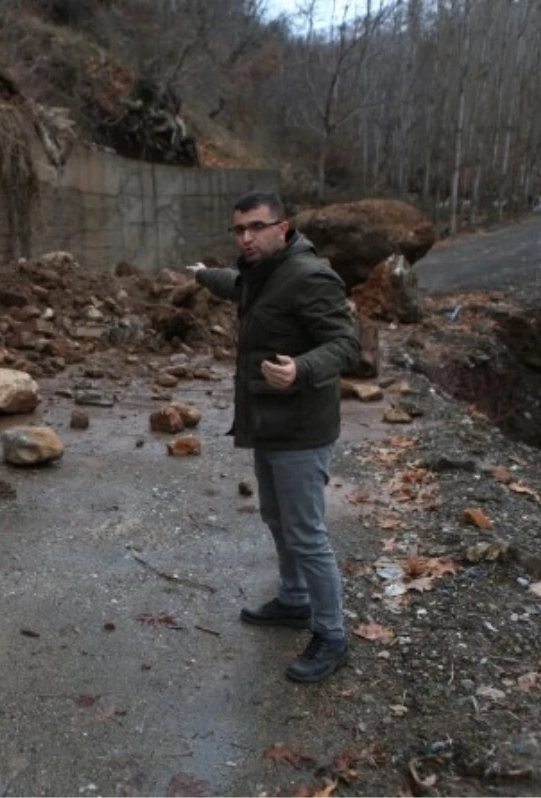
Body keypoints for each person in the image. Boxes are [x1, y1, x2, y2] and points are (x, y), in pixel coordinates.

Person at [188, 191, 361, 683]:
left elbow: (347, 344)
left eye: (256, 227)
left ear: (282, 228)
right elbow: (236, 286)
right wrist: (201, 274)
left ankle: (332, 636)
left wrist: (303, 368)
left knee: (306, 533)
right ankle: (293, 600)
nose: (246, 237)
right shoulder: (259, 273)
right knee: (275, 516)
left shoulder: (309, 277)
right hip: (268, 422)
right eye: (239, 229)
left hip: (302, 427)